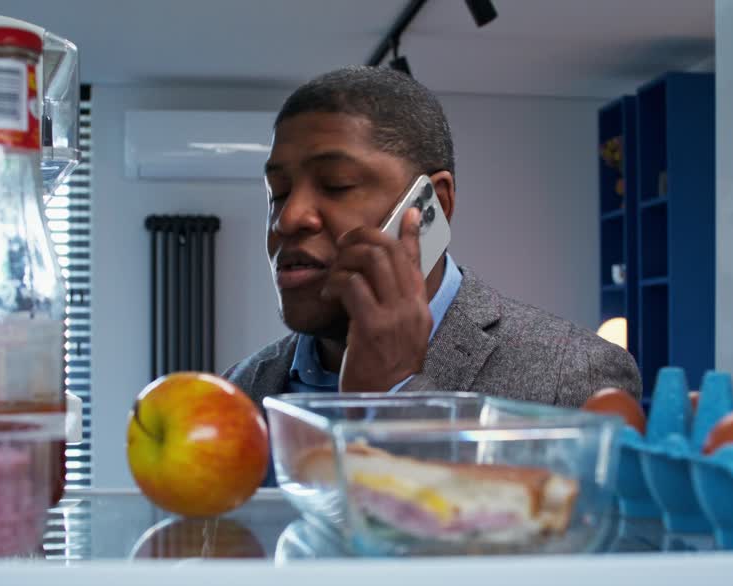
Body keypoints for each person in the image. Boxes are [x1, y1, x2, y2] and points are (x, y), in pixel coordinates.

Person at [225, 65, 641, 411]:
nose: (289, 217)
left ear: (433, 206)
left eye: (336, 184)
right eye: (278, 193)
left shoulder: (573, 377)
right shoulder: (238, 389)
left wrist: (390, 395)